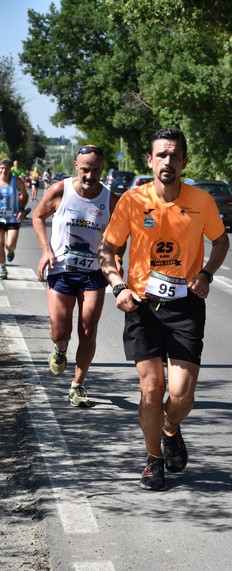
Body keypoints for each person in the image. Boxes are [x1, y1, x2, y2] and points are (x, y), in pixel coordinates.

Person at [98, 127, 230, 491]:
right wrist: (118, 286)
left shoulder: (201, 201)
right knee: (152, 390)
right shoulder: (131, 201)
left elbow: (221, 241)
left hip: (185, 305)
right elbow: (108, 251)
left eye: (174, 155)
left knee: (182, 394)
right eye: (161, 155)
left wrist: (206, 274)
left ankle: (171, 428)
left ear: (184, 161)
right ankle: (154, 459)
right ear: (150, 161)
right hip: (141, 304)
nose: (167, 161)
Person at [33, 145, 121, 407]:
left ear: (102, 169)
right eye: (85, 169)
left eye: (95, 170)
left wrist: (117, 257)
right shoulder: (61, 190)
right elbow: (37, 217)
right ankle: (60, 349)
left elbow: (120, 236)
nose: (90, 175)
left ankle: (77, 385)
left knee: (87, 329)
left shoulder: (110, 200)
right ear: (76, 166)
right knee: (61, 330)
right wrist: (46, 250)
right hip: (61, 269)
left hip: (94, 273)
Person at [0, 157, 29, 279]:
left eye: (6, 169)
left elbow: (25, 195)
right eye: (1, 168)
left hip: (12, 217)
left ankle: (10, 251)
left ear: (10, 169)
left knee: (10, 244)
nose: (3, 171)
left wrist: (22, 209)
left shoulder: (16, 181)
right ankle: (2, 268)